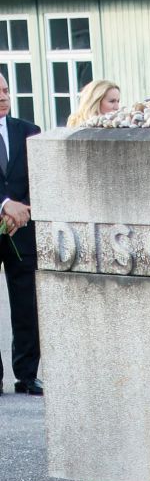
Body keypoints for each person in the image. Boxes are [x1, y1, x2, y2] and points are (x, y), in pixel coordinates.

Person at [0, 72, 42, 395]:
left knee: (26, 305)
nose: (3, 97)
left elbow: (39, 178)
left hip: (22, 230)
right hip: (5, 215)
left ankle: (27, 375)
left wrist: (21, 210)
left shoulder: (29, 131)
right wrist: (4, 204)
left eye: (5, 90)